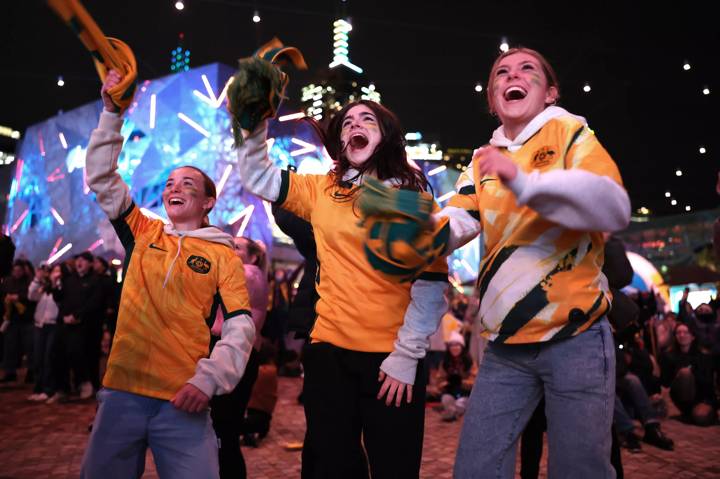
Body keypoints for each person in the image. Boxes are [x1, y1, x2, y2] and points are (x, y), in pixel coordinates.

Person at [434, 48, 631, 478]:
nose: (511, 75)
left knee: (579, 470)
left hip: (575, 337)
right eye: (500, 73)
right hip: (505, 346)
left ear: (550, 93)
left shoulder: (571, 132)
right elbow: (457, 224)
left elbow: (614, 206)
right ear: (492, 98)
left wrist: (523, 181)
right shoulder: (482, 159)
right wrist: (406, 229)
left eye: (527, 70)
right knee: (475, 469)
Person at [235, 98, 449, 478]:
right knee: (331, 467)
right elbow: (258, 176)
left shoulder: (413, 199)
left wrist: (407, 355)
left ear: (385, 136)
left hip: (392, 359)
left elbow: (431, 283)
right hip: (329, 354)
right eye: (347, 122)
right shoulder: (322, 189)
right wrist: (253, 127)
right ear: (340, 140)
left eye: (367, 119)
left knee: (394, 468)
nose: (355, 125)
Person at [79, 69, 256, 479]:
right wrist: (110, 113)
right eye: (171, 181)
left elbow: (240, 326)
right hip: (121, 393)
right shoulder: (143, 231)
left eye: (189, 183)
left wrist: (209, 381)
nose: (175, 187)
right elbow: (102, 178)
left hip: (183, 399)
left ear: (209, 201)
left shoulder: (223, 255)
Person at [210, 236, 269, 478]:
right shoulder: (243, 270)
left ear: (253, 256)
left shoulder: (249, 272)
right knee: (221, 429)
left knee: (224, 429)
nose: (229, 249)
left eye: (236, 246)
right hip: (231, 351)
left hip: (237, 354)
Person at [659, 323, 718, 426]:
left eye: (685, 332)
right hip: (681, 397)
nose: (682, 335)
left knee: (701, 417)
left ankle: (695, 413)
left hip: (702, 396)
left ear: (693, 336)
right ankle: (688, 411)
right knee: (685, 373)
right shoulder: (668, 356)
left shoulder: (703, 356)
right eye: (678, 333)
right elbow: (665, 382)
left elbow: (708, 383)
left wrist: (694, 372)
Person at [427, 330, 477, 421]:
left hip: (465, 394)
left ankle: (452, 412)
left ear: (462, 347)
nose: (454, 348)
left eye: (457, 345)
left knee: (462, 402)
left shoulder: (469, 362)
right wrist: (447, 383)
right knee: (446, 399)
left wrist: (461, 382)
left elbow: (475, 381)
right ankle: (453, 412)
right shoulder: (445, 362)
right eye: (452, 345)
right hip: (449, 393)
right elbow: (439, 382)